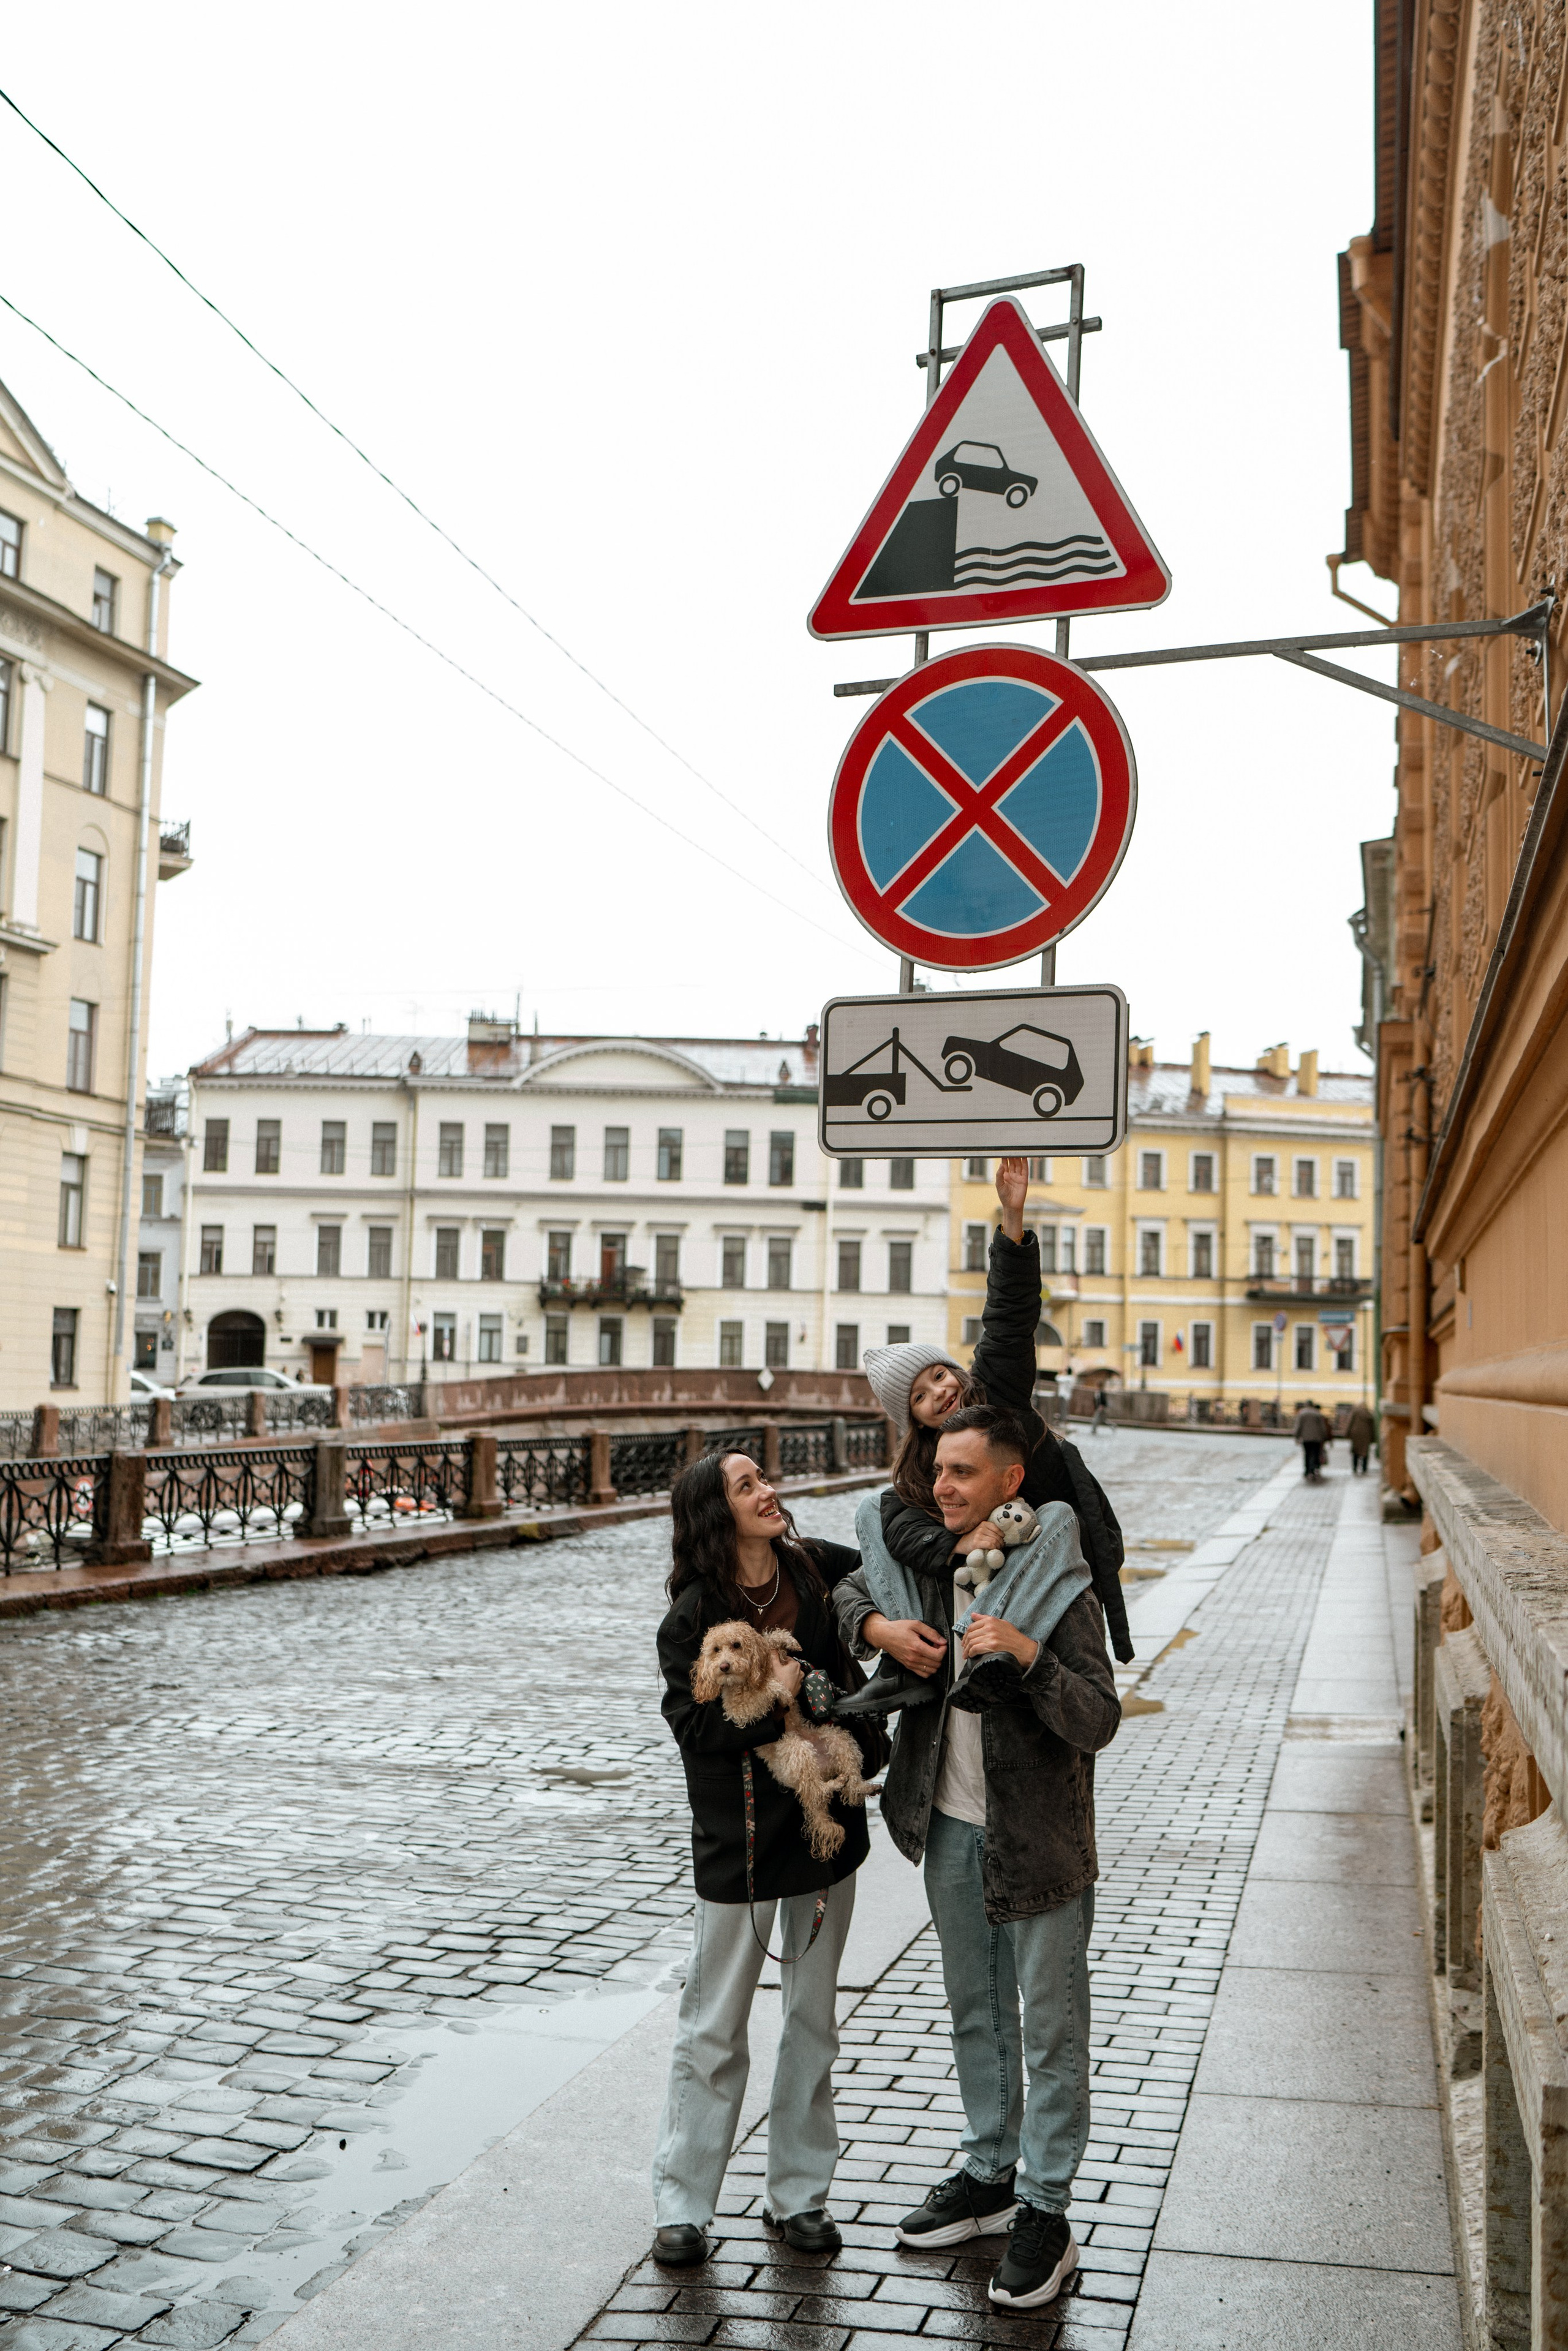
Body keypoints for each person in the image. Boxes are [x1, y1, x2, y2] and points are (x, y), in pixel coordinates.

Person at [833, 1405, 1120, 2311]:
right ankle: (989, 2170)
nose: (945, 1487)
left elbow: (1099, 1718)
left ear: (1010, 1482)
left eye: (964, 1472)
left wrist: (1030, 1657)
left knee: (1052, 2025)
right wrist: (877, 1631)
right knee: (976, 2010)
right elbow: (843, 1586)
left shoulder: (1056, 1582)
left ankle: (1046, 2205)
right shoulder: (926, 1570)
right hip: (947, 1824)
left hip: (1038, 1835)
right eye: (938, 1471)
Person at [649, 1449, 886, 2270]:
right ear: (718, 1513)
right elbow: (697, 1732)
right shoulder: (693, 1616)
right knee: (714, 2025)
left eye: (764, 1478)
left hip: (826, 1830)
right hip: (739, 1842)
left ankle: (799, 2194)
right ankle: (683, 2203)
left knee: (813, 2020)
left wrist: (864, 1716)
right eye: (747, 1485)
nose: (768, 1490)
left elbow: (893, 1564)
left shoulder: (817, 1570)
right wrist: (776, 1696)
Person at [838, 1157, 1132, 1721]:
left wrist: (1013, 1217)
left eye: (940, 1375)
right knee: (871, 1512)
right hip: (974, 1567)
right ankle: (908, 1667)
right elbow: (896, 1530)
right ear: (915, 1420)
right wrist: (962, 1540)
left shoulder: (997, 1392)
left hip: (1046, 1556)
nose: (939, 1394)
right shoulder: (924, 1469)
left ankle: (983, 1656)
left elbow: (1009, 1317)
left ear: (956, 1371)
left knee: (1059, 1517)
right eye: (921, 1396)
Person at [1293, 1398, 1332, 1481]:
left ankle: (1307, 1470)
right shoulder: (1317, 1413)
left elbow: (1298, 1426)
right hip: (1317, 1438)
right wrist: (1324, 1437)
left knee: (1307, 1454)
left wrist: (1297, 1437)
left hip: (1306, 1438)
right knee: (1315, 1453)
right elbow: (1323, 1427)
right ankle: (1313, 1469)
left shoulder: (1302, 1413)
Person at [1346, 1402, 1376, 1476]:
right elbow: (1372, 1427)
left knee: (1356, 1451)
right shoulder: (1369, 1414)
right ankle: (1364, 1468)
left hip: (1356, 1434)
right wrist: (1373, 1438)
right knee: (1365, 1452)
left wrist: (1347, 1433)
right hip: (1366, 1435)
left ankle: (1355, 1468)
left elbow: (1350, 1422)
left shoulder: (1355, 1412)